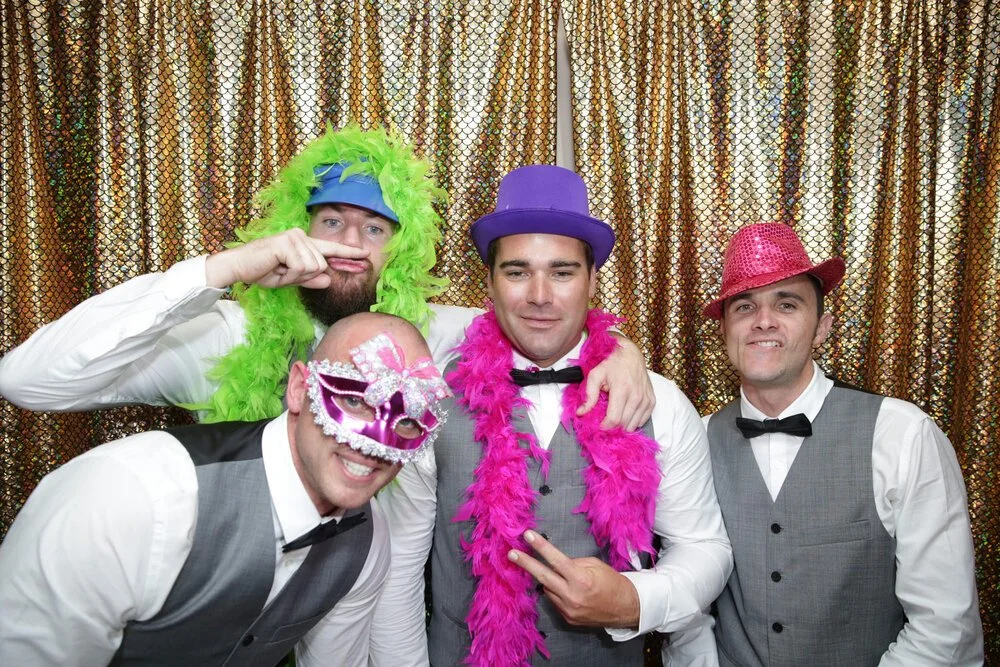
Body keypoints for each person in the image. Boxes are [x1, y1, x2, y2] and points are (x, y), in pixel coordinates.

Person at [0, 124, 652, 428]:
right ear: (293, 226)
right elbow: (26, 380)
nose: (348, 246)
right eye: (331, 221)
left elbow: (542, 325)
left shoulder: (438, 339)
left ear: (400, 249)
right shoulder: (220, 339)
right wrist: (223, 269)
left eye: (373, 229)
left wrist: (617, 349)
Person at [370, 165, 732, 666]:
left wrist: (635, 601)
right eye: (517, 271)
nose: (539, 295)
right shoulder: (429, 398)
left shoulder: (659, 402)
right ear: (490, 285)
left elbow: (705, 548)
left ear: (590, 281)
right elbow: (398, 569)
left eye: (562, 272)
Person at [0, 312, 452, 666]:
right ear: (299, 389)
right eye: (353, 400)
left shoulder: (366, 543)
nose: (377, 442)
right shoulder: (136, 497)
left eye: (408, 419)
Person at [698, 222, 983, 665]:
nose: (764, 321)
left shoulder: (901, 434)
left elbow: (945, 625)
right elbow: (689, 613)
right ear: (724, 330)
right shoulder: (694, 441)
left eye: (787, 304)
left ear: (821, 327)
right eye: (744, 307)